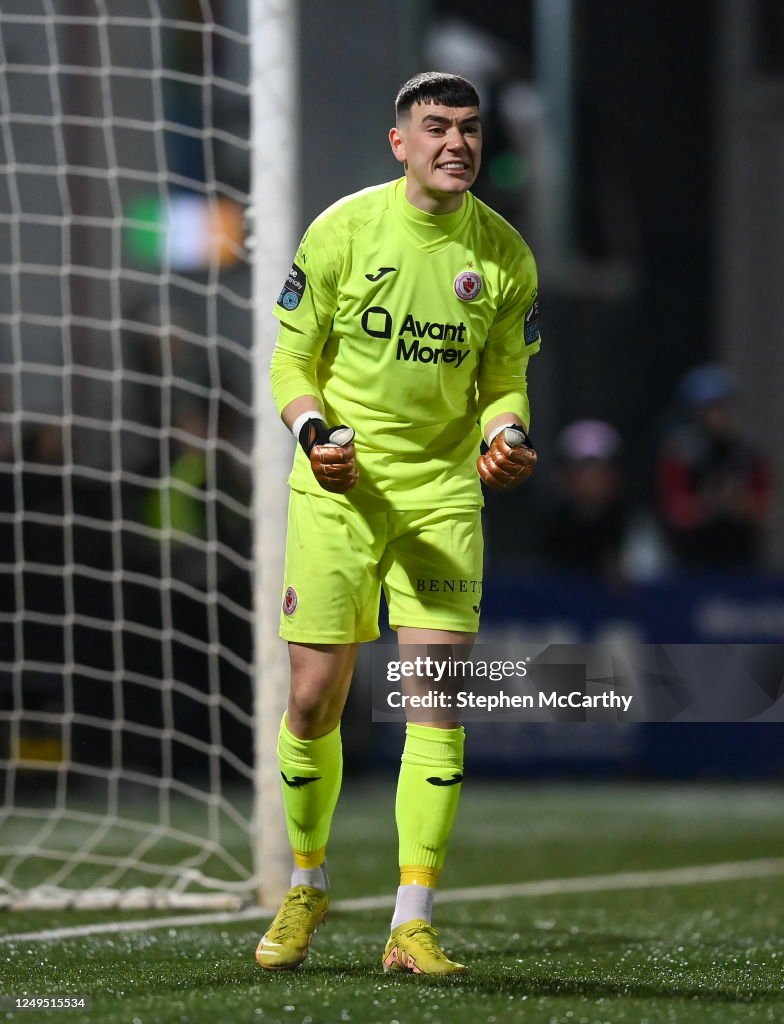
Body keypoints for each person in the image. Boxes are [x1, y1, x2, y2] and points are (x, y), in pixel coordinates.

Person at [255, 71, 540, 976]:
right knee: (314, 697)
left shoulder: (505, 256)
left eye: (470, 128)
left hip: (443, 495)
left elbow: (505, 382)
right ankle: (306, 882)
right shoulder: (343, 230)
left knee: (437, 698)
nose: (457, 143)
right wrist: (314, 434)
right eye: (437, 127)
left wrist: (505, 436)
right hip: (339, 488)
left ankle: (412, 921)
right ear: (400, 143)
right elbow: (291, 359)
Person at [657, 365, 772, 571]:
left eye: (724, 407)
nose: (719, 415)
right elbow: (674, 511)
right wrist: (709, 503)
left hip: (742, 557)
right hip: (693, 561)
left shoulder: (746, 453)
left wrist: (738, 502)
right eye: (712, 408)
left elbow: (763, 509)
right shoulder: (680, 455)